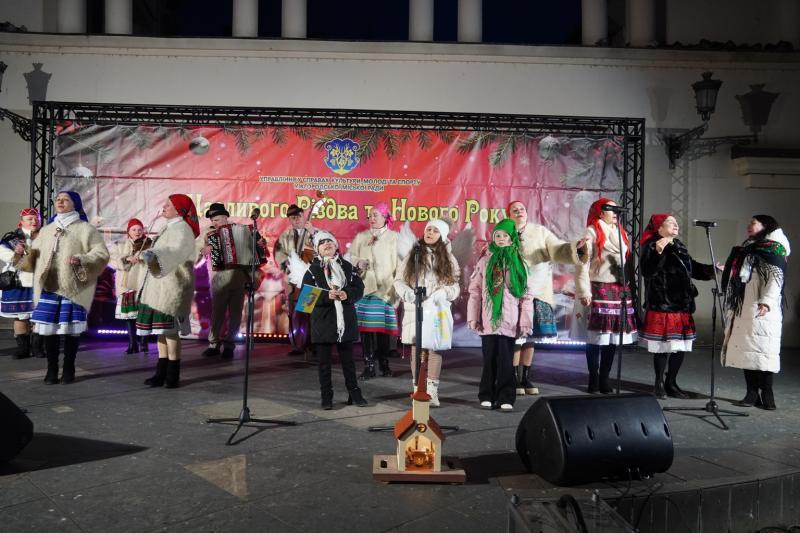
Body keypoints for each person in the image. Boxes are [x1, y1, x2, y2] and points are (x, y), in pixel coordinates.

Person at [19, 192, 109, 384]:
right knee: (49, 331)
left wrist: (82, 259)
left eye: (65, 199)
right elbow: (32, 260)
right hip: (49, 287)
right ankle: (52, 369)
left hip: (72, 288)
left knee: (70, 331)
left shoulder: (85, 229)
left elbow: (101, 254)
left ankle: (69, 368)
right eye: (58, 199)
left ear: (75, 204)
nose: (60, 201)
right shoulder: (47, 230)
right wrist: (23, 253)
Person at [506, 200, 588, 396]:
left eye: (522, 208)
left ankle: (525, 377)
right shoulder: (504, 233)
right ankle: (512, 378)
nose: (519, 211)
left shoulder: (540, 232)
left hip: (537, 292)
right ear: (509, 215)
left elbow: (557, 249)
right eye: (515, 210)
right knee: (515, 337)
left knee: (530, 338)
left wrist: (575, 248)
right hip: (512, 293)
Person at [639, 214, 714, 398]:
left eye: (676, 223)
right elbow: (647, 271)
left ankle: (671, 382)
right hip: (663, 304)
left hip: (682, 304)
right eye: (670, 223)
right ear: (659, 228)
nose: (676, 225)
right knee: (663, 347)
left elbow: (691, 267)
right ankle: (658, 383)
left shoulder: (678, 245)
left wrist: (711, 270)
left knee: (680, 347)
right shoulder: (651, 245)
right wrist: (658, 252)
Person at [721, 215, 790, 410]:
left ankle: (767, 392)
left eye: (754, 222)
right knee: (747, 349)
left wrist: (767, 302)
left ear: (766, 226)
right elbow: (744, 274)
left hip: (763, 306)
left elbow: (776, 279)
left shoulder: (774, 248)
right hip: (745, 305)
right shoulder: (749, 247)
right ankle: (751, 393)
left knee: (764, 350)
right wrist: (727, 270)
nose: (749, 225)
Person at [467, 218, 532, 412]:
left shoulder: (519, 263)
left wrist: (525, 322)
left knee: (506, 361)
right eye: (497, 235)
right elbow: (475, 291)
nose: (501, 239)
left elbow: (526, 296)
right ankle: (486, 394)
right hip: (488, 320)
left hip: (509, 320)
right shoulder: (485, 261)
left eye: (505, 235)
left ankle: (506, 396)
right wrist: (473, 317)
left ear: (512, 238)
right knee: (489, 360)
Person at [393, 219, 460, 407]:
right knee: (417, 348)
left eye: (435, 231)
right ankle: (418, 388)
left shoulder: (449, 258)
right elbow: (399, 280)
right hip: (416, 308)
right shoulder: (413, 254)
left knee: (433, 348)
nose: (430, 233)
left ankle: (432, 391)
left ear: (442, 236)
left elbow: (455, 286)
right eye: (428, 229)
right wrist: (408, 293)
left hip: (436, 310)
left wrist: (444, 293)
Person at [575, 198, 637, 394]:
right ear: (600, 213)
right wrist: (584, 290)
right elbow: (582, 263)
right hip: (599, 287)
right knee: (596, 337)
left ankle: (605, 378)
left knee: (612, 338)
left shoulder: (621, 233)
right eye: (610, 209)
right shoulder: (591, 232)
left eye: (616, 209)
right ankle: (593, 378)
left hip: (618, 288)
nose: (615, 212)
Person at [137, 194, 199, 389]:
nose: (163, 207)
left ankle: (173, 375)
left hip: (171, 287)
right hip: (160, 287)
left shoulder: (182, 229)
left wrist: (152, 254)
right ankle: (160, 373)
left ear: (179, 211)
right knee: (161, 332)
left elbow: (177, 252)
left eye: (168, 205)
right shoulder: (168, 227)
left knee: (170, 333)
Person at [301, 230, 368, 409]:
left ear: (336, 245)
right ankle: (326, 396)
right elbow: (305, 301)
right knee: (324, 363)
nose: (327, 244)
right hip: (323, 321)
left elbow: (359, 288)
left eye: (330, 241)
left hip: (345, 319)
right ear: (317, 249)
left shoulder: (347, 266)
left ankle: (354, 392)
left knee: (348, 361)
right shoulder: (313, 270)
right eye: (322, 242)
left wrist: (347, 294)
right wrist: (326, 296)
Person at [200, 203, 267, 359]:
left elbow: (257, 250)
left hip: (238, 277)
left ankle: (230, 345)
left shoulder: (242, 230)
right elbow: (199, 249)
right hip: (219, 278)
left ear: (225, 217)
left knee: (236, 314)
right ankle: (214, 344)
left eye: (217, 219)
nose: (214, 223)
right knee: (217, 313)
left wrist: (260, 245)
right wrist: (205, 249)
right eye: (212, 220)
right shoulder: (208, 233)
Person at [349, 202, 399, 379]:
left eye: (375, 215)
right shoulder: (361, 237)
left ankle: (384, 364)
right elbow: (350, 256)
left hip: (385, 289)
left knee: (382, 330)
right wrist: (358, 262)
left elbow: (400, 264)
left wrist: (397, 287)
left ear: (385, 217)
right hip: (366, 288)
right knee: (367, 330)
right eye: (370, 215)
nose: (371, 218)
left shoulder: (394, 237)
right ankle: (369, 365)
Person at [273, 203, 315, 357]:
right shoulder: (285, 237)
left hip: (310, 280)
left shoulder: (314, 233)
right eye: (293, 218)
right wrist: (291, 268)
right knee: (295, 313)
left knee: (309, 312)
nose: (296, 220)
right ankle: (298, 344)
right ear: (289, 220)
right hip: (292, 282)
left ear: (304, 216)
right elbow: (279, 255)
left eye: (298, 216)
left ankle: (313, 344)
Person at [0, 208, 42, 359]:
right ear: (22, 222)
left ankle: (37, 348)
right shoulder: (12, 238)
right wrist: (16, 253)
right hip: (18, 283)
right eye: (30, 219)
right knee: (20, 316)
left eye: (36, 218)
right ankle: (23, 349)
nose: (34, 221)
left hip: (41, 283)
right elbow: (3, 253)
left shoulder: (48, 236)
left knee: (40, 316)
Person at [109, 218, 153, 355]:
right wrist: (126, 259)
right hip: (126, 284)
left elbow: (154, 258)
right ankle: (132, 343)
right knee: (129, 316)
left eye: (140, 229)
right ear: (128, 231)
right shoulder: (120, 245)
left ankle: (144, 343)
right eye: (134, 229)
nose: (137, 232)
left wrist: (142, 257)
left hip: (141, 284)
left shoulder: (149, 244)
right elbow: (112, 260)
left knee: (143, 315)